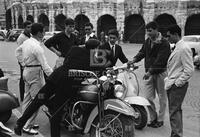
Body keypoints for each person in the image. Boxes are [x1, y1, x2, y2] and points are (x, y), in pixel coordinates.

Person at [14, 39, 107, 137]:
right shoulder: (93, 60)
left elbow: (67, 61)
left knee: (38, 100)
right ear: (95, 48)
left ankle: (20, 123)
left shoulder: (74, 49)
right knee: (56, 114)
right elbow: (102, 70)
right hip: (66, 86)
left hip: (55, 78)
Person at [128, 21, 171, 128]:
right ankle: (153, 118)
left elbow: (161, 60)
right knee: (147, 97)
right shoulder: (147, 41)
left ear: (156, 30)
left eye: (150, 31)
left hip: (160, 73)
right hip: (149, 73)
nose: (148, 33)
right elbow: (142, 52)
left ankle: (160, 120)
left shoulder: (164, 43)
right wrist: (134, 60)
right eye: (147, 31)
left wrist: (150, 72)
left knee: (162, 97)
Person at [15, 23, 53, 135]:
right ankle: (27, 125)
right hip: (35, 73)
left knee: (27, 99)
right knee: (38, 100)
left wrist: (23, 63)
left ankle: (23, 121)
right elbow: (45, 65)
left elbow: (17, 52)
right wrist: (54, 76)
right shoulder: (37, 47)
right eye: (44, 31)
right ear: (40, 33)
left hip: (27, 71)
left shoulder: (27, 42)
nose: (44, 33)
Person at [165, 25, 194, 137]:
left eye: (169, 36)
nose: (167, 38)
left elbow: (189, 70)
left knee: (174, 112)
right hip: (173, 84)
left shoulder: (183, 48)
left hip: (176, 86)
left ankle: (177, 135)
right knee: (176, 111)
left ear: (175, 34)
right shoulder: (178, 47)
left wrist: (177, 83)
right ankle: (176, 134)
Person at [16, 20, 32, 102]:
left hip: (29, 61)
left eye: (30, 27)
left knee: (29, 79)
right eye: (28, 27)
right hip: (23, 61)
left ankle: (29, 96)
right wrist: (22, 63)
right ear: (24, 28)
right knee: (23, 79)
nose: (30, 29)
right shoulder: (21, 37)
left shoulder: (30, 35)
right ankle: (23, 97)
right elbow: (19, 52)